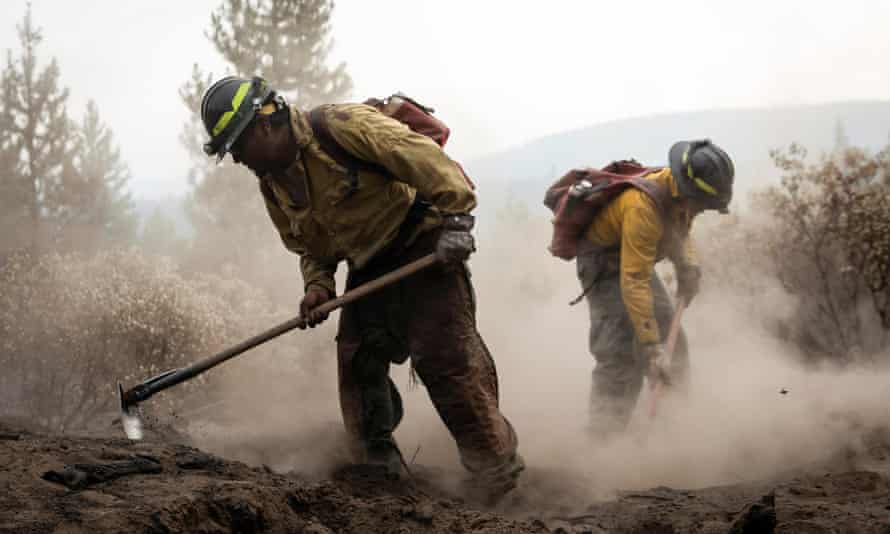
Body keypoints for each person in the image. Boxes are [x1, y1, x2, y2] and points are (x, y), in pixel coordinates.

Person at [199, 76, 523, 500]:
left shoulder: (341, 126)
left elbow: (422, 157)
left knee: (443, 362)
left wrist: (458, 220)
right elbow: (310, 245)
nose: (238, 160)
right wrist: (317, 286)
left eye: (237, 147)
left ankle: (495, 471)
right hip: (369, 265)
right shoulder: (274, 185)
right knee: (356, 365)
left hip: (422, 244)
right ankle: (379, 477)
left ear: (262, 126)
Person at [576, 140, 734, 436]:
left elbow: (681, 232)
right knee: (620, 353)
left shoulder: (680, 196)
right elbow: (633, 281)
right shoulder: (642, 208)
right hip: (603, 264)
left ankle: (673, 431)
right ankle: (603, 444)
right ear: (689, 191)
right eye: (701, 204)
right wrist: (650, 346)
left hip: (634, 262)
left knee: (673, 345)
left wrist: (688, 266)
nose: (701, 211)